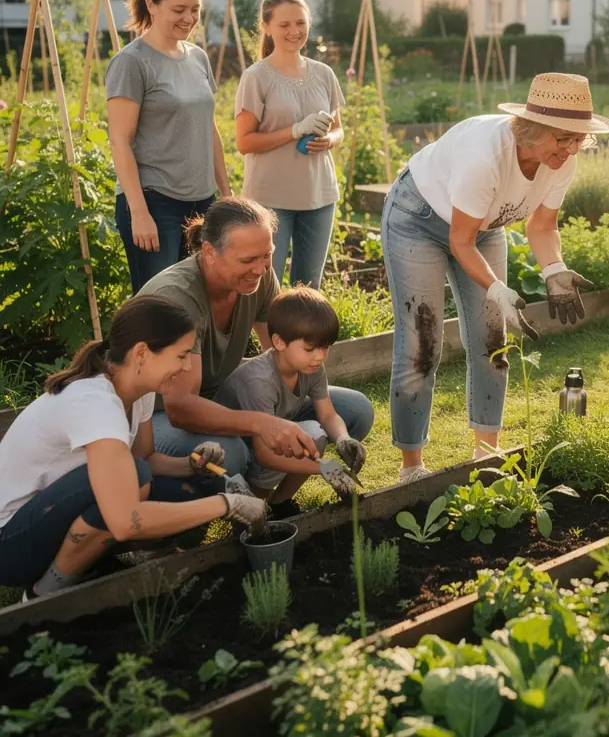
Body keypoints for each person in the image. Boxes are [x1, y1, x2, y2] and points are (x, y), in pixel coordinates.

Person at [382, 72, 609, 483]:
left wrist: (554, 269)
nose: (570, 149)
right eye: (563, 138)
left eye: (579, 140)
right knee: (422, 343)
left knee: (493, 340)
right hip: (417, 218)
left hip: (483, 228)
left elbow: (542, 226)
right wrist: (496, 288)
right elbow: (460, 240)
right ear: (534, 128)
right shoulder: (486, 155)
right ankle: (411, 467)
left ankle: (486, 454)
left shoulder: (563, 160)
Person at [0, 296, 266, 598]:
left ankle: (89, 561)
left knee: (181, 489)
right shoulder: (95, 403)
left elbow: (146, 457)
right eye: (181, 355)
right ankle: (43, 593)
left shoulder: (139, 391)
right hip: (10, 541)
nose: (186, 366)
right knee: (135, 478)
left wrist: (191, 466)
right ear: (141, 353)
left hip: (48, 515)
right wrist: (228, 504)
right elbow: (125, 521)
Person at [138, 196, 375, 478]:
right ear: (209, 252)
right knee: (230, 455)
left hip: (221, 400)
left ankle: (258, 478)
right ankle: (230, 481)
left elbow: (279, 352)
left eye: (267, 255)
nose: (261, 269)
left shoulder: (257, 278)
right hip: (155, 417)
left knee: (356, 410)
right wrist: (262, 424)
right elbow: (180, 408)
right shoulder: (177, 298)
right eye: (248, 259)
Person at [107, 0, 232, 293]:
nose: (189, 18)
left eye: (195, 10)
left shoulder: (198, 58)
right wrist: (139, 212)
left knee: (200, 298)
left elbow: (209, 129)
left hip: (202, 201)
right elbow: (120, 141)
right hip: (155, 202)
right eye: (179, 10)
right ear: (151, 5)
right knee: (159, 305)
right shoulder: (132, 62)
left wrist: (226, 193)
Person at [218, 287, 368, 516]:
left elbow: (327, 414)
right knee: (293, 441)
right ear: (279, 342)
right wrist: (323, 468)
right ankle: (254, 506)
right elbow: (265, 453)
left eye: (325, 347)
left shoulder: (311, 367)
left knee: (314, 434)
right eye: (310, 348)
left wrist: (343, 438)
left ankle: (279, 503)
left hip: (269, 435)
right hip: (232, 450)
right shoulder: (260, 381)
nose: (319, 356)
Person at [235, 0, 344, 288]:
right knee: (266, 285)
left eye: (300, 23)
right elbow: (244, 142)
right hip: (271, 199)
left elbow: (339, 129)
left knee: (308, 288)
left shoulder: (323, 74)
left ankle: (302, 324)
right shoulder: (256, 77)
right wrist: (294, 131)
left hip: (319, 194)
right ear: (266, 27)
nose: (294, 31)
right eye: (284, 25)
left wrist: (329, 140)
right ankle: (267, 324)